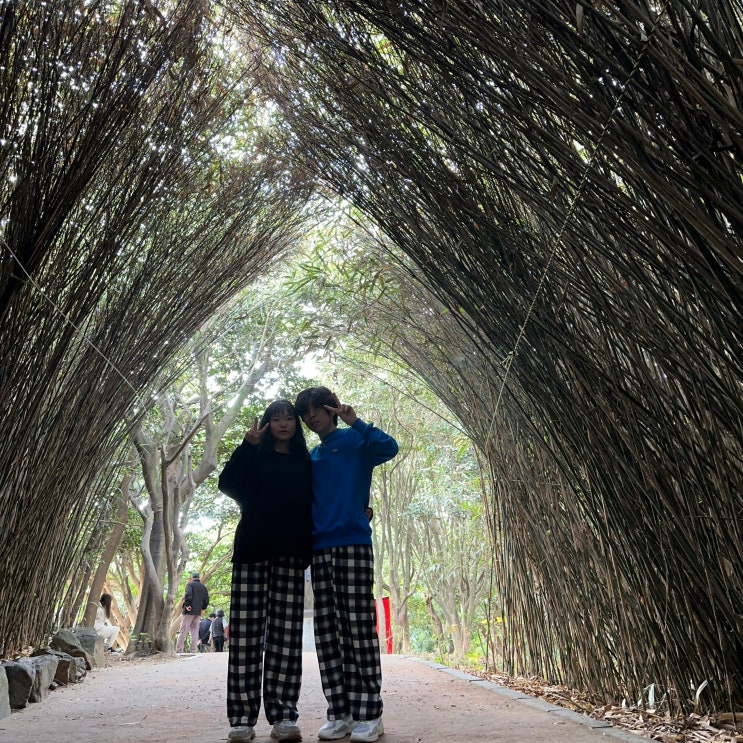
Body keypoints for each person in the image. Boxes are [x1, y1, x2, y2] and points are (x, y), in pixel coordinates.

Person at [294, 387, 398, 743]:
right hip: (319, 549)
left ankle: (370, 713)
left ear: (331, 409)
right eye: (305, 413)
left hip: (353, 543)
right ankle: (339, 712)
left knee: (358, 630)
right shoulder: (312, 456)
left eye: (316, 409)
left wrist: (356, 421)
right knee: (328, 634)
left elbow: (389, 447)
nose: (311, 417)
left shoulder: (354, 442)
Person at [218, 399, 313, 743]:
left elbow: (316, 504)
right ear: (267, 423)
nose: (283, 423)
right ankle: (242, 719)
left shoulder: (306, 462)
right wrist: (247, 446)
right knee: (245, 638)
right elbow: (226, 484)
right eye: (277, 418)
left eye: (289, 418)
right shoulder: (254, 456)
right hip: (251, 554)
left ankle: (284, 715)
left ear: (296, 425)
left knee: (285, 641)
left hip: (290, 557)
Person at [175, 572, 209, 653]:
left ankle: (179, 650)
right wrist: (203, 607)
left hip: (189, 611)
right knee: (195, 631)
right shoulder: (203, 587)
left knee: (183, 630)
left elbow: (188, 595)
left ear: (192, 577)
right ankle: (193, 650)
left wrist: (187, 605)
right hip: (198, 612)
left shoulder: (190, 585)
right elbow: (206, 600)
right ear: (199, 577)